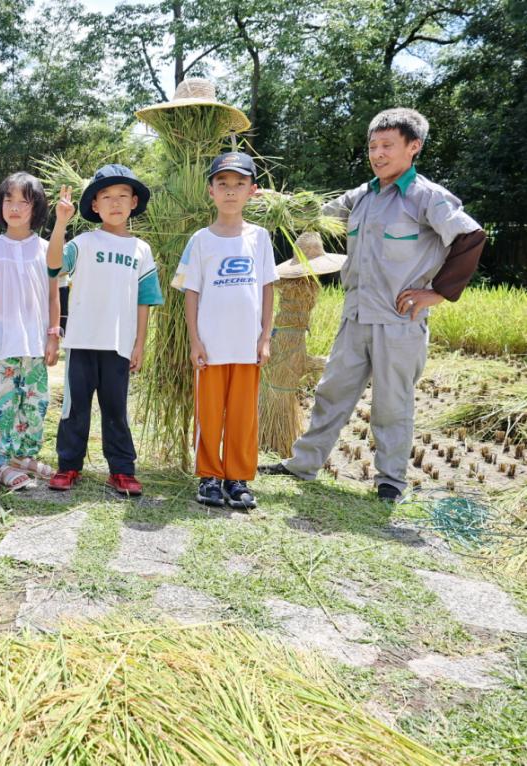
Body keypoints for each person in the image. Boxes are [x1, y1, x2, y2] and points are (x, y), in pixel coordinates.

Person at [260, 108, 486, 502]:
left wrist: (437, 292)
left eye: (387, 146)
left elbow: (470, 237)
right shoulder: (361, 197)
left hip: (400, 321)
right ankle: (303, 465)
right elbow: (313, 213)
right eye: (372, 146)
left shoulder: (426, 198)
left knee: (391, 403)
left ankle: (390, 483)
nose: (377, 154)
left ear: (413, 147)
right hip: (356, 317)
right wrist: (272, 200)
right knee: (331, 392)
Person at [46, 164, 164, 495]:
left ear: (134, 202)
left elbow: (145, 300)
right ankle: (68, 466)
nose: (115, 202)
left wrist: (140, 342)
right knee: (75, 409)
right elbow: (53, 265)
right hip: (82, 341)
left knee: (116, 409)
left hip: (119, 345)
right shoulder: (83, 243)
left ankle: (122, 470)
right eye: (107, 196)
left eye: (123, 196)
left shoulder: (141, 250)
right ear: (94, 206)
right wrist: (60, 223)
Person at [172, 152, 277, 509]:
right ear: (210, 191)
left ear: (252, 191)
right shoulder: (201, 239)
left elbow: (267, 288)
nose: (231, 191)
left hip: (247, 346)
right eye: (223, 184)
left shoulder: (260, 238)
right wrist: (195, 340)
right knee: (210, 414)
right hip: (212, 346)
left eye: (239, 184)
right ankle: (210, 477)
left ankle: (237, 478)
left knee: (244, 415)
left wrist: (265, 338)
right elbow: (191, 292)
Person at [0, 172, 61, 490]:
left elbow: (54, 295)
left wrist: (54, 334)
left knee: (35, 403)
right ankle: (1, 461)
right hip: (1, 343)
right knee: (3, 404)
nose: (14, 207)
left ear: (35, 207)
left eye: (23, 202)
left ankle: (25, 456)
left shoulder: (45, 250)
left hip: (36, 343)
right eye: (7, 200)